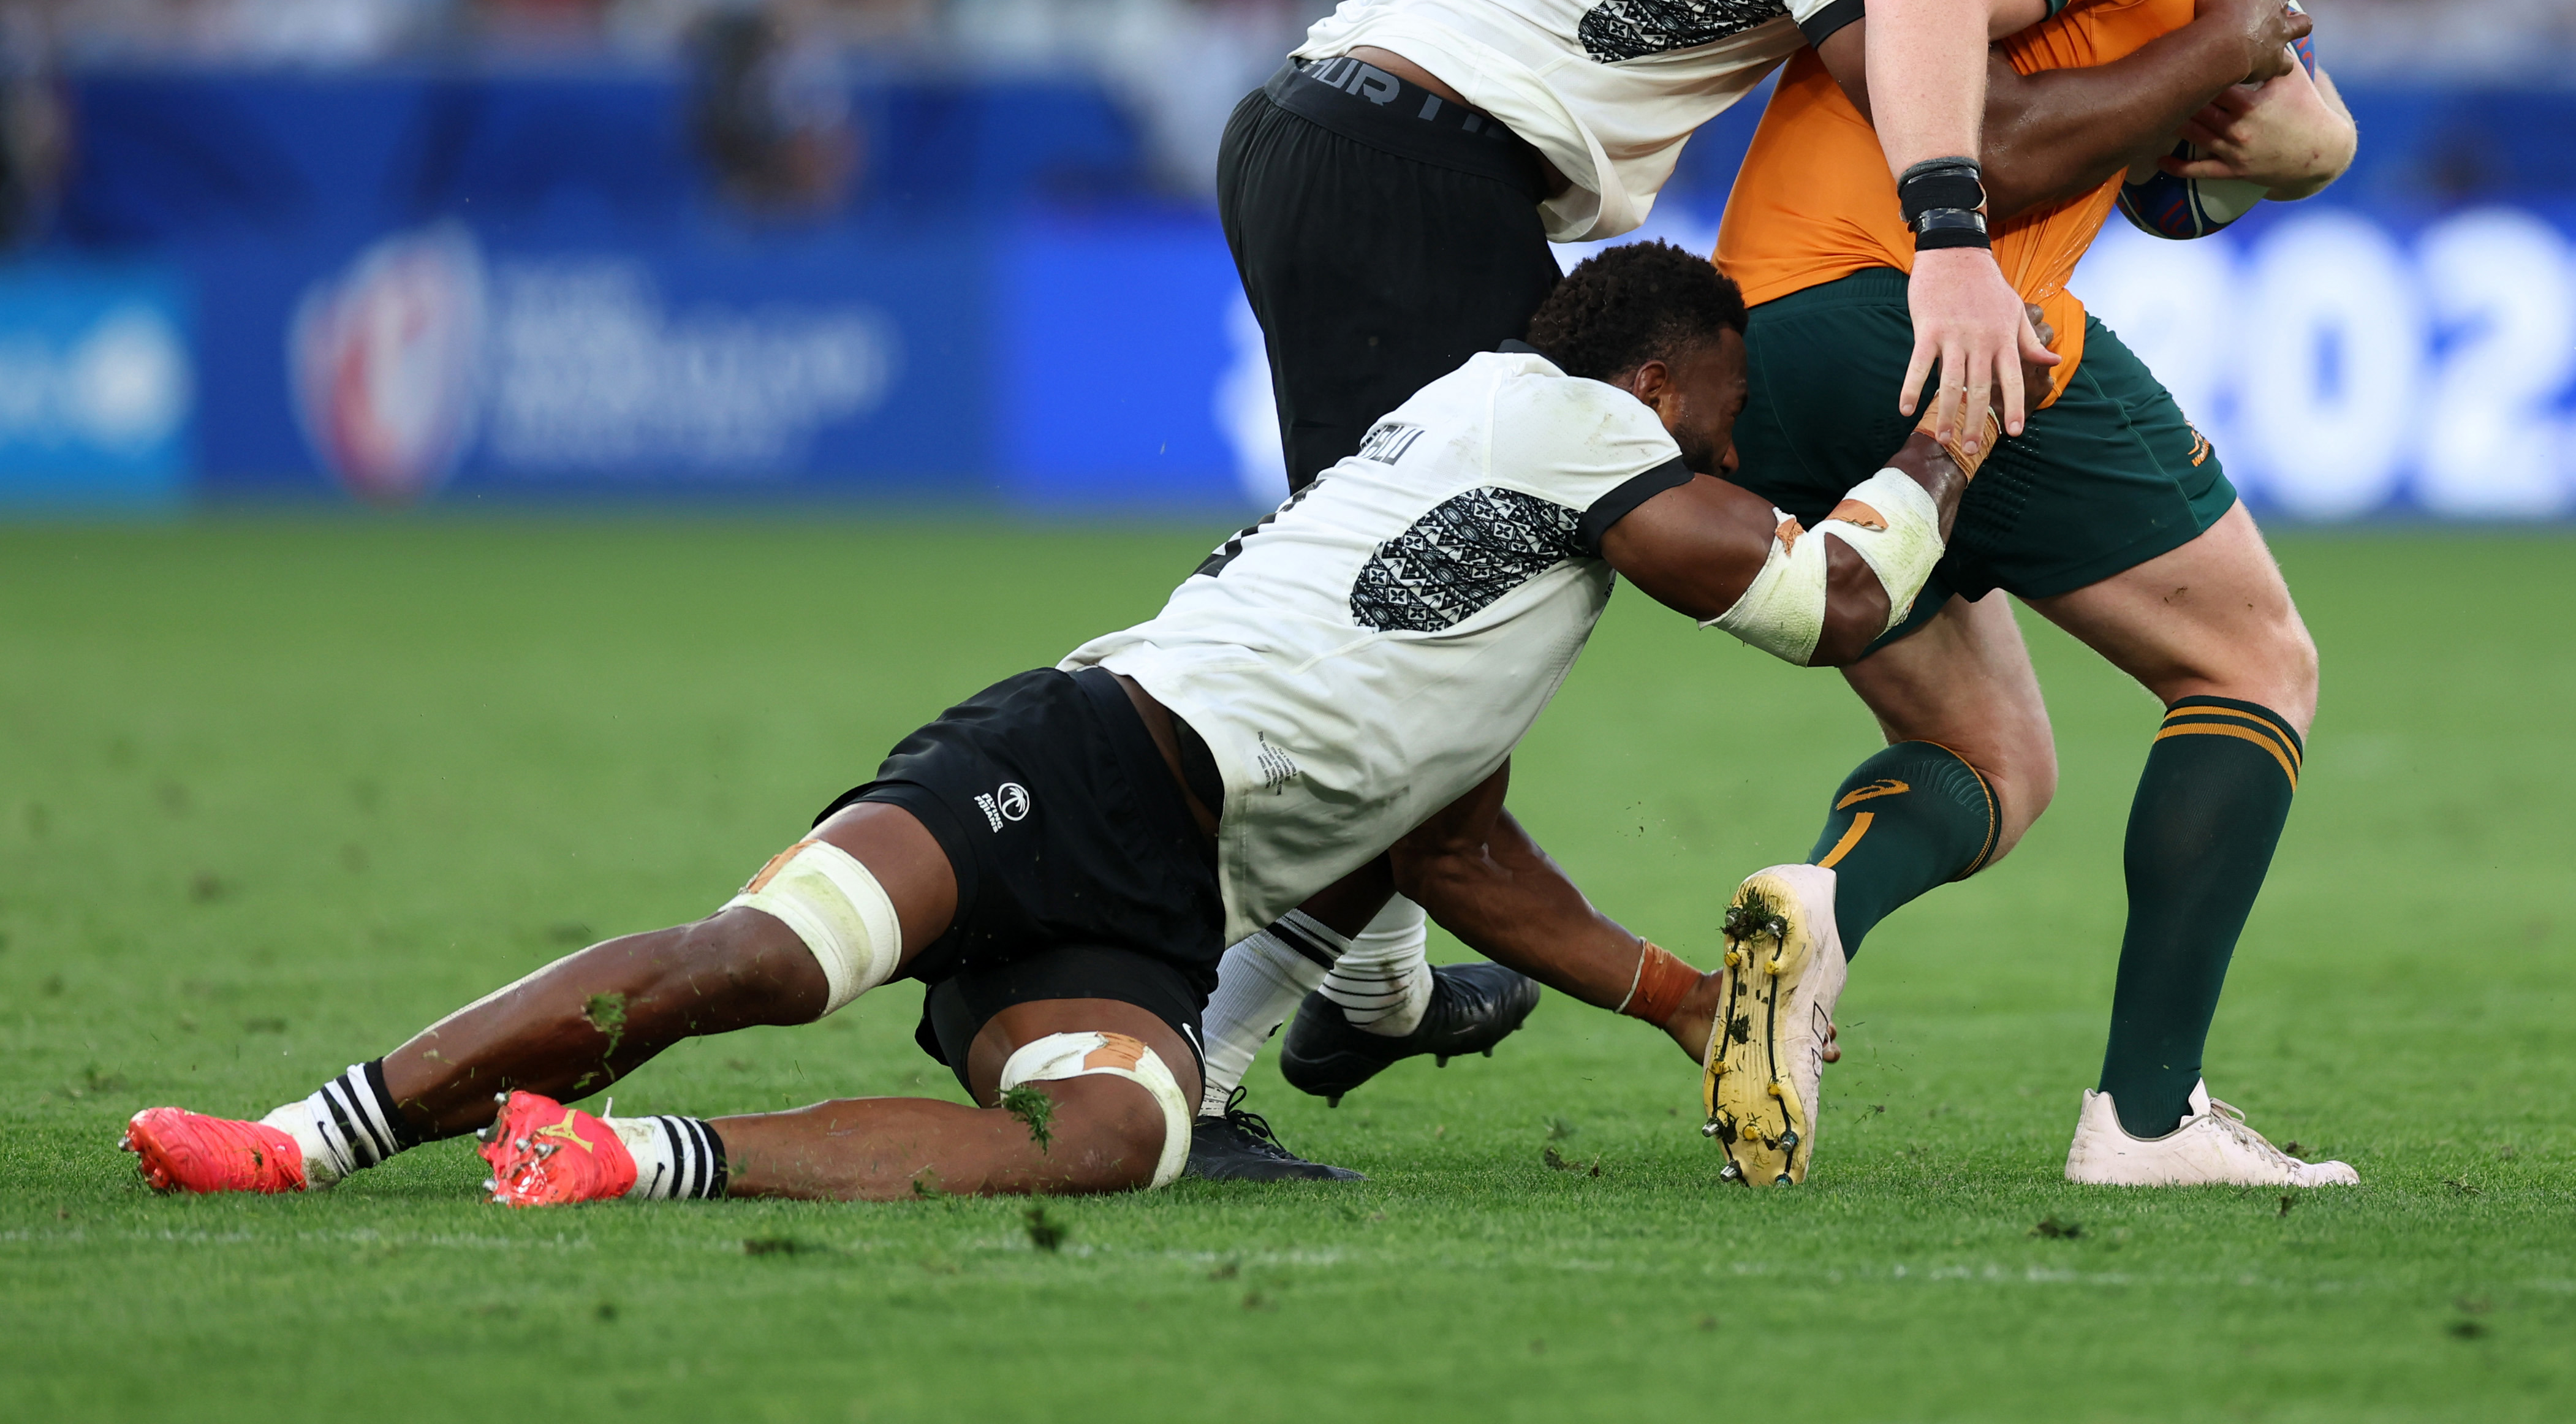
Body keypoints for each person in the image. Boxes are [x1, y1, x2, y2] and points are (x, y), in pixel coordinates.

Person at [1199, 0, 2459, 1169]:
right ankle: (1206, 1040)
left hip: (1436, 165)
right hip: (1422, 177)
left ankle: (1382, 976)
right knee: (1411, 643)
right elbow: (1980, 114)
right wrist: (2207, 54)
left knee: (1962, 747)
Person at [119, 247, 2002, 1206]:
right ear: (1652, 380)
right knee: (764, 959)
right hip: (1088, 753)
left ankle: (619, 1158)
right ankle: (302, 1136)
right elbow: (1819, 603)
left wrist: (1682, 1001)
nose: (1732, 451)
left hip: (1161, 900)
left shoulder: (1513, 511)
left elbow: (1449, 850)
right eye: (1723, 412)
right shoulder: (1574, 417)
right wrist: (1947, 438)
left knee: (1111, 1135)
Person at [1695, 0, 2398, 1189]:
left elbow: (2300, 138)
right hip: (1923, 304)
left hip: (1771, 338)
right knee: (2249, 657)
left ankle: (1815, 909)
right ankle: (2147, 1121)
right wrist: (1953, 245)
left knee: (1996, 762)